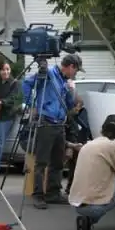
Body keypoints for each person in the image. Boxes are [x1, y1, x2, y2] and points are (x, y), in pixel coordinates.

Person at [22, 54, 82, 209]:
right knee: (41, 162)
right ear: (71, 67)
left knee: (58, 161)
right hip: (46, 123)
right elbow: (26, 83)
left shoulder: (63, 81)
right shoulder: (48, 73)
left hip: (59, 124)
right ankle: (38, 195)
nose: (75, 74)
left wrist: (71, 92)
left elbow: (69, 104)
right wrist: (31, 104)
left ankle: (53, 193)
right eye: (76, 71)